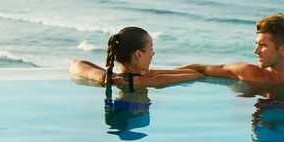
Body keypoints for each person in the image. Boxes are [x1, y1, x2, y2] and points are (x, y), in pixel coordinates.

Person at [69, 27, 203, 91]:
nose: (152, 54)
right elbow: (196, 75)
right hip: (135, 118)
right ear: (138, 54)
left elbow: (77, 64)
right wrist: (155, 72)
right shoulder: (149, 80)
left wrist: (104, 76)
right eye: (151, 49)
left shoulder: (113, 78)